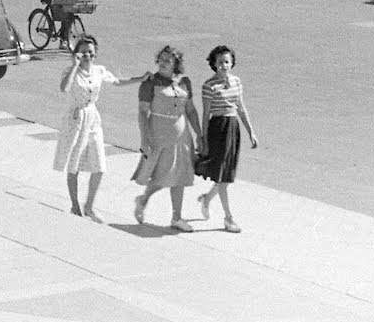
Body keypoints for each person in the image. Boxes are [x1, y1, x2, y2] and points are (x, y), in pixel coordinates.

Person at [53, 35, 146, 222]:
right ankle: (75, 205)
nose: (88, 56)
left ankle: (89, 206)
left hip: (92, 119)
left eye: (90, 52)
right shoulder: (71, 71)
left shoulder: (99, 70)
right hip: (75, 120)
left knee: (99, 165)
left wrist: (140, 79)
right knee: (74, 165)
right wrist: (74, 65)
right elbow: (64, 88)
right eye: (84, 52)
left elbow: (118, 82)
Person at [131, 45, 202, 232]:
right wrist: (145, 139)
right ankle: (144, 198)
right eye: (161, 59)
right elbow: (143, 112)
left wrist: (200, 134)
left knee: (180, 176)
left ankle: (176, 218)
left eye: (167, 60)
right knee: (164, 175)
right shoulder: (150, 83)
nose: (163, 63)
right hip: (159, 135)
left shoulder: (184, 82)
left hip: (182, 136)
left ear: (175, 64)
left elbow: (191, 110)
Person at [195, 44, 258, 233]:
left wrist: (251, 132)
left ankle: (207, 199)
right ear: (214, 64)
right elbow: (205, 114)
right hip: (217, 129)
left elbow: (241, 108)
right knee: (223, 176)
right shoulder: (209, 86)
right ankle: (228, 218)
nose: (224, 65)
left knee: (227, 176)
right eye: (220, 62)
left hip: (233, 128)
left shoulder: (237, 82)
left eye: (227, 62)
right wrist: (203, 138)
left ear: (232, 64)